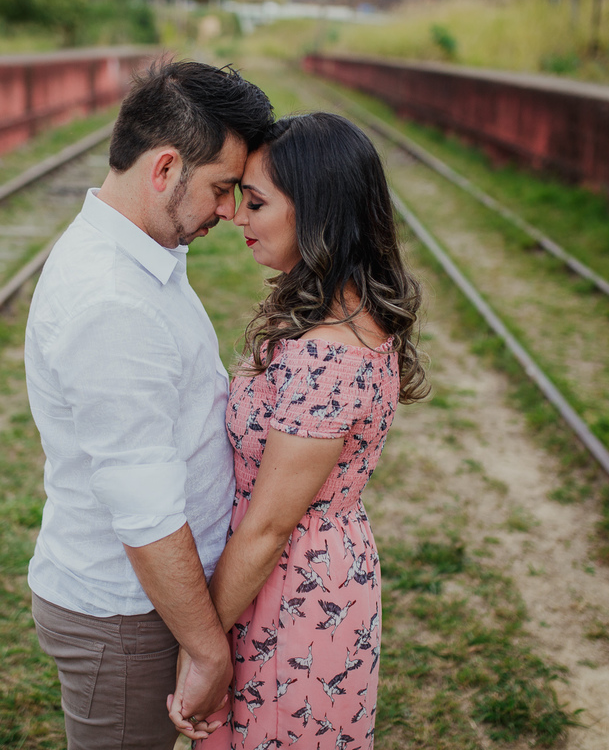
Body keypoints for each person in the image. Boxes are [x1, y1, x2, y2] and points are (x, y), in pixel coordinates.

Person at [23, 60, 273, 749]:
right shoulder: (112, 301)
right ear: (164, 169)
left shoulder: (141, 258)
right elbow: (145, 508)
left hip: (147, 605)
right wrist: (207, 649)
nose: (229, 211)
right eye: (223, 189)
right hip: (128, 617)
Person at [171, 112, 429, 749]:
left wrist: (200, 648)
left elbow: (269, 525)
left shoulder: (328, 356)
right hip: (299, 579)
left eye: (255, 202)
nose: (236, 216)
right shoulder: (343, 317)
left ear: (316, 213)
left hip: (287, 595)